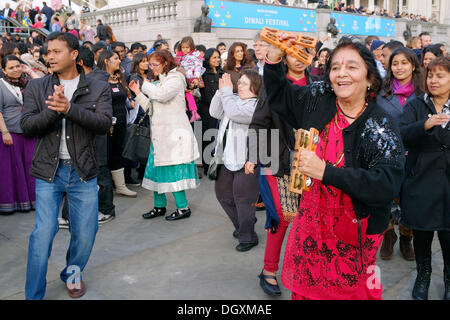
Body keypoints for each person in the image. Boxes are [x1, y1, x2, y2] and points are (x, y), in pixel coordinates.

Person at [264, 37, 405, 300]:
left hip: (355, 233)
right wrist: (273, 59)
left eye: (352, 67)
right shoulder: (319, 99)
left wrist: (326, 172)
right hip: (310, 226)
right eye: (335, 67)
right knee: (306, 292)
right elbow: (280, 96)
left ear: (370, 77)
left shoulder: (380, 123)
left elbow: (385, 185)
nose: (342, 73)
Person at [21, 32, 113, 300]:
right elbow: (27, 126)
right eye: (48, 51)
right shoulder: (37, 87)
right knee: (42, 234)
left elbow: (104, 124)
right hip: (48, 172)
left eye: (56, 51)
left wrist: (69, 108)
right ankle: (33, 295)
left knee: (85, 234)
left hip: (82, 171)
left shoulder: (98, 86)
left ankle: (72, 274)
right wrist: (53, 110)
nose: (49, 56)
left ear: (74, 54)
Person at [246, 51, 310, 296]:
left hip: (310, 162)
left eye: (304, 53)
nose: (299, 58)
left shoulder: (319, 86)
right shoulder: (273, 85)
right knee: (283, 215)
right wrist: (254, 155)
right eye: (293, 54)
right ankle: (269, 270)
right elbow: (259, 122)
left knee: (305, 218)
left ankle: (301, 266)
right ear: (284, 58)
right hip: (276, 157)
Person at [399, 56, 450, 300]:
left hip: (448, 180)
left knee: (448, 234)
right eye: (431, 75)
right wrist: (425, 126)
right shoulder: (416, 105)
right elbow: (400, 134)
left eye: (440, 75)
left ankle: (449, 277)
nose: (434, 80)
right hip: (421, 179)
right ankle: (423, 275)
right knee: (422, 234)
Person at [128, 50, 200, 221]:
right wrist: (138, 93)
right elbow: (151, 108)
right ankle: (159, 206)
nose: (151, 68)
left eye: (154, 65)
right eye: (150, 65)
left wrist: (144, 84)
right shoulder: (160, 81)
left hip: (174, 135)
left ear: (166, 63)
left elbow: (161, 96)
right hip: (160, 135)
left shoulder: (175, 79)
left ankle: (183, 208)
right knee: (155, 171)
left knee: (173, 170)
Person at [377, 47, 423, 261]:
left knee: (411, 200)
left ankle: (406, 237)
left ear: (413, 65)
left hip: (415, 155)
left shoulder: (423, 92)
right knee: (386, 197)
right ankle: (388, 236)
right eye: (395, 63)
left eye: (404, 63)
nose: (399, 67)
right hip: (387, 154)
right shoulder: (381, 91)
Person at [210, 70, 262, 252]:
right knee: (223, 195)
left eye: (244, 84)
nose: (238, 86)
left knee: (243, 199)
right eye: (238, 83)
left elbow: (234, 114)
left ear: (255, 87)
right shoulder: (231, 99)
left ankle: (248, 237)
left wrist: (226, 94)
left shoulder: (256, 106)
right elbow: (215, 112)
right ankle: (244, 222)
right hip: (226, 158)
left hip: (248, 160)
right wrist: (220, 91)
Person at [97, 50, 137, 198]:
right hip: (106, 125)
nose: (119, 61)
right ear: (106, 61)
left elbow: (124, 99)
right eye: (115, 58)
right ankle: (102, 189)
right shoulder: (100, 80)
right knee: (104, 156)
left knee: (118, 153)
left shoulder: (119, 78)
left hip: (120, 123)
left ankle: (120, 186)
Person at [0, 55, 36, 214]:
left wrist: (30, 70)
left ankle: (33, 201)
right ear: (4, 70)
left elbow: (43, 83)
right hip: (10, 133)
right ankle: (13, 204)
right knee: (13, 170)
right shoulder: (1, 85)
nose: (16, 70)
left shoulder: (27, 83)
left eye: (18, 66)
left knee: (30, 166)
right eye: (11, 68)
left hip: (29, 131)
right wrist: (4, 131)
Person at [198, 48, 224, 175]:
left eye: (218, 57)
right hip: (207, 110)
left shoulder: (223, 74)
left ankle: (219, 164)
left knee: (220, 137)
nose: (217, 60)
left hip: (222, 110)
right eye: (214, 57)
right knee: (208, 136)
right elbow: (206, 96)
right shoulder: (203, 75)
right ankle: (207, 164)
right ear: (208, 59)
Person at [175, 36, 203, 122]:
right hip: (183, 77)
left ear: (192, 47)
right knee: (186, 94)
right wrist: (178, 55)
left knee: (189, 93)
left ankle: (193, 112)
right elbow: (176, 65)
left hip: (192, 77)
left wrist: (196, 77)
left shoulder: (195, 55)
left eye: (187, 47)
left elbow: (198, 66)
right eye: (183, 47)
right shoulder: (180, 55)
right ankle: (191, 111)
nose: (185, 49)